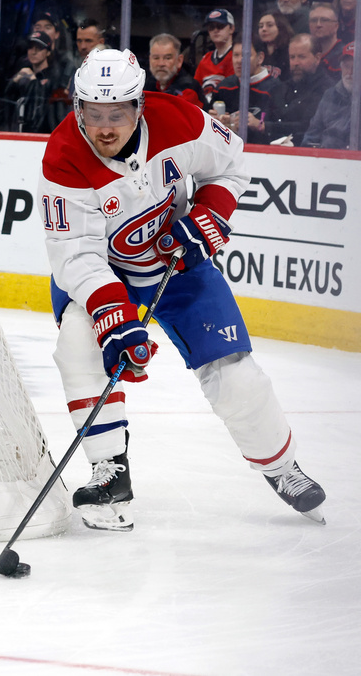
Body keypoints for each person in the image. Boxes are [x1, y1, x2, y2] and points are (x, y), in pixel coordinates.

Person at [38, 48, 326, 531]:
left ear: (139, 108)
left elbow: (232, 165)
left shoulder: (179, 121)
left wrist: (209, 216)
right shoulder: (64, 158)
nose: (105, 128)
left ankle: (282, 467)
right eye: (93, 115)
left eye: (117, 114)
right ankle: (110, 471)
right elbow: (76, 256)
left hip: (178, 264)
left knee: (236, 375)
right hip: (109, 276)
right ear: (77, 109)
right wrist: (114, 318)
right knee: (77, 347)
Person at [211, 35, 286, 144]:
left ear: (260, 58)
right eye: (235, 55)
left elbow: (282, 130)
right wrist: (213, 120)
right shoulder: (223, 87)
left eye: (245, 55)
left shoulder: (276, 88)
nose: (238, 61)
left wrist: (259, 125)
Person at [264, 34, 335, 145]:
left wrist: (267, 127)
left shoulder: (327, 90)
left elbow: (307, 126)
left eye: (302, 57)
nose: (296, 63)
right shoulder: (279, 89)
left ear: (317, 58)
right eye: (292, 57)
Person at [2, 31, 69, 133]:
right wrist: (14, 81)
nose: (33, 52)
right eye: (30, 47)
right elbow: (5, 102)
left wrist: (33, 82)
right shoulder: (23, 74)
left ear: (48, 52)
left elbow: (42, 109)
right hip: (22, 132)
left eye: (39, 48)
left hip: (45, 133)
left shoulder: (55, 77)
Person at [303, 41, 354, 148]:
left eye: (356, 67)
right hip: (326, 160)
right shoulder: (330, 95)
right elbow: (312, 135)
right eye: (346, 66)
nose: (350, 73)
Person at [145, 33, 205, 109]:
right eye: (156, 58)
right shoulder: (148, 84)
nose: (161, 64)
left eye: (167, 58)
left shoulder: (189, 88)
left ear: (179, 61)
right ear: (150, 59)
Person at [195, 8, 236, 98]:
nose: (215, 30)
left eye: (220, 26)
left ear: (231, 28)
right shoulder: (205, 59)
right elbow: (195, 88)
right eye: (211, 27)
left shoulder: (236, 56)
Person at [309, 3, 346, 83]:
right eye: (314, 20)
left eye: (324, 20)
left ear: (336, 26)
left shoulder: (344, 55)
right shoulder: (304, 54)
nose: (318, 25)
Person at [257, 11, 294, 78]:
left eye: (270, 25)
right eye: (261, 26)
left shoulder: (289, 50)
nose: (264, 29)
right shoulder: (256, 50)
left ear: (281, 27)